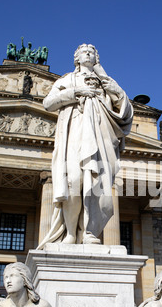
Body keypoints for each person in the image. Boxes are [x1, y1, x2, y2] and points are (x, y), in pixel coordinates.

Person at [37, 44, 133, 247]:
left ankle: (90, 232)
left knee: (97, 185)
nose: (88, 54)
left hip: (101, 137)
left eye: (92, 52)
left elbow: (124, 109)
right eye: (84, 52)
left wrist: (110, 86)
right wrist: (76, 92)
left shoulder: (105, 82)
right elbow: (48, 103)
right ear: (76, 59)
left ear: (96, 58)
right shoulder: (66, 80)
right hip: (74, 135)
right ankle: (71, 232)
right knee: (73, 181)